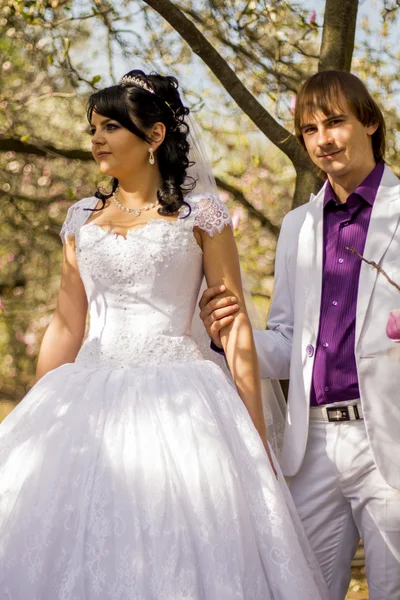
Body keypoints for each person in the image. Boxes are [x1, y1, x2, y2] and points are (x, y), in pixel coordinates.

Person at [0, 70, 328, 599]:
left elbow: (234, 324)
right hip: (88, 393)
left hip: (184, 398)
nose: (97, 140)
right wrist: (39, 413)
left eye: (111, 126)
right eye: (92, 130)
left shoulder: (204, 215)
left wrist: (254, 434)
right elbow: (66, 323)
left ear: (154, 136)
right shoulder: (80, 219)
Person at [199, 70, 400, 600]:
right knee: (297, 589)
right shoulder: (298, 227)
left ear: (370, 123)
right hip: (311, 445)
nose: (323, 139)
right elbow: (288, 343)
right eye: (309, 129)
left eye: (335, 122)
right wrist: (229, 337)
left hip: (391, 441)